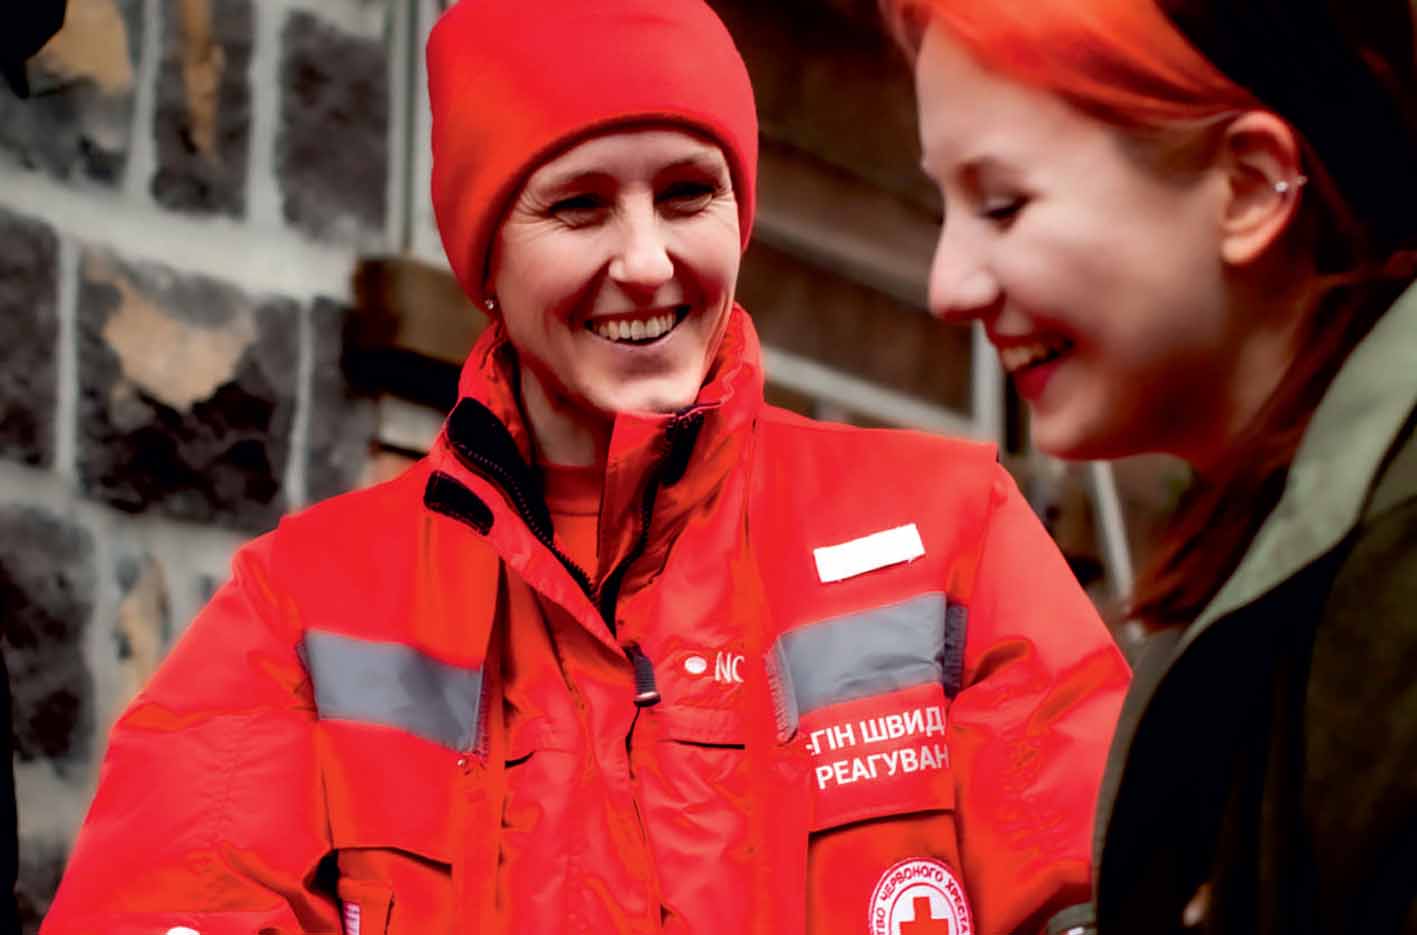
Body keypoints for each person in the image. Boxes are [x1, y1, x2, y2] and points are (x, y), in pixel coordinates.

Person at [42, 1, 1129, 933]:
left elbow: (1107, 881)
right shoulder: (306, 606)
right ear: (483, 259)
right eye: (577, 204)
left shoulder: (952, 531)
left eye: (689, 193)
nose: (648, 261)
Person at [882, 0, 1417, 931]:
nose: (947, 285)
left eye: (1002, 203)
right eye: (946, 204)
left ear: (1248, 187)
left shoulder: (1391, 555)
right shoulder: (1290, 539)